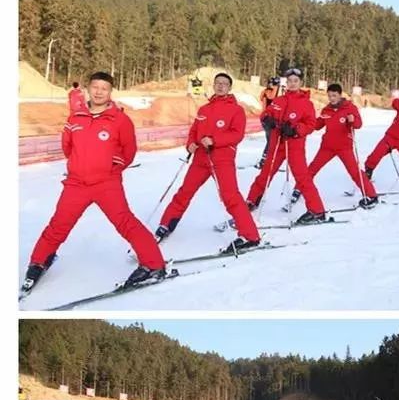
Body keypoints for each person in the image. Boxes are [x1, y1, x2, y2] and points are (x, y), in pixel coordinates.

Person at [21, 71, 166, 295]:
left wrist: (112, 165)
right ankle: (39, 262)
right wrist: (81, 165)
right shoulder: (75, 118)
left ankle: (154, 265)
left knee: (125, 222)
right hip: (76, 184)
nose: (99, 91)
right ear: (89, 89)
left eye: (104, 88)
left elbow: (129, 151)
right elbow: (68, 147)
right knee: (58, 225)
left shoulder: (120, 120)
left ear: (110, 92)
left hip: (106, 184)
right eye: (95, 87)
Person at [155, 72, 260, 254]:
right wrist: (191, 144)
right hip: (200, 159)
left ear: (229, 87)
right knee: (184, 192)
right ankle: (166, 224)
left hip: (222, 160)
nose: (220, 86)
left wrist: (214, 140)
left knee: (230, 196)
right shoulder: (204, 109)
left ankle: (250, 235)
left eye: (224, 84)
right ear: (214, 85)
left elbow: (237, 135)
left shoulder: (236, 110)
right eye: (217, 83)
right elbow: (194, 130)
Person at [246, 67, 327, 224]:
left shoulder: (306, 104)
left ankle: (317, 210)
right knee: (265, 174)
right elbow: (266, 112)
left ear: (300, 83)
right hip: (277, 145)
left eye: (295, 81)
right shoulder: (279, 100)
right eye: (289, 81)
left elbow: (310, 125)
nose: (292, 84)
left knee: (302, 178)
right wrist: (267, 119)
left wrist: (295, 130)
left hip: (294, 146)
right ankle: (252, 200)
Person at [288, 83, 378, 210]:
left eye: (334, 96)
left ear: (340, 95)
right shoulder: (327, 110)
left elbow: (358, 125)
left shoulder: (349, 108)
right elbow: (316, 125)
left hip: (344, 147)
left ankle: (371, 195)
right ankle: (298, 190)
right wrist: (303, 123)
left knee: (354, 172)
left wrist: (352, 120)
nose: (332, 98)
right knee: (312, 168)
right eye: (329, 96)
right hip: (327, 147)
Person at [256, 77, 281, 169]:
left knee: (271, 141)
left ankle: (267, 161)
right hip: (268, 119)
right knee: (271, 141)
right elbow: (272, 97)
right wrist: (276, 87)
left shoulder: (268, 91)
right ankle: (264, 162)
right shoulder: (268, 92)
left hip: (269, 119)